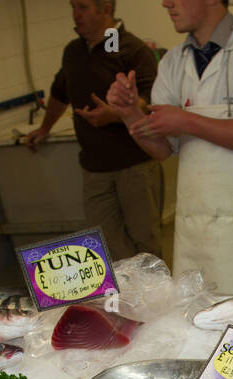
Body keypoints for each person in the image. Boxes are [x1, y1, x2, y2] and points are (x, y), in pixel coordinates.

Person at [106, 0, 233, 293]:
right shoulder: (173, 62)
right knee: (198, 323)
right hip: (194, 237)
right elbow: (163, 149)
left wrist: (186, 121)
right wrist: (130, 112)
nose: (165, 3)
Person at [26, 0, 163, 261]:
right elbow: (59, 92)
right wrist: (44, 128)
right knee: (106, 244)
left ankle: (159, 298)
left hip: (134, 164)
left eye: (83, 7)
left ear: (106, 10)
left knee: (145, 242)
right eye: (73, 7)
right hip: (94, 167)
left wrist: (114, 115)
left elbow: (151, 100)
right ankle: (125, 300)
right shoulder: (73, 51)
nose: (75, 14)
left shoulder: (133, 50)